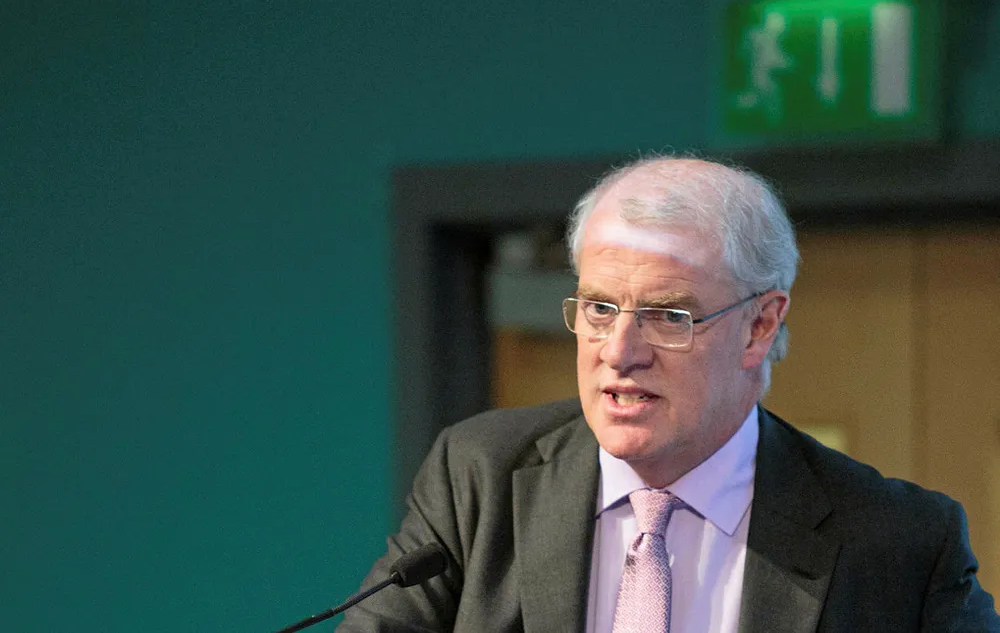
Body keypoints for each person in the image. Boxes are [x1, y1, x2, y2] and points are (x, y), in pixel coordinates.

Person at [337, 156, 1000, 632]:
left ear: (760, 326)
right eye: (599, 309)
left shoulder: (898, 545)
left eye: (668, 316)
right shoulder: (480, 476)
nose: (619, 351)